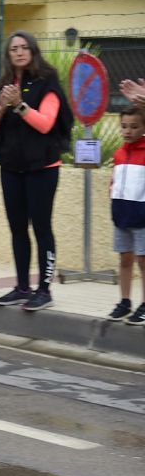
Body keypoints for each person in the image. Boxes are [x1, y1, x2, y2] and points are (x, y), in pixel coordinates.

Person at [0, 30, 74, 312]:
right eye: (14, 49)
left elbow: (46, 123)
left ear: (33, 51)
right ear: (8, 55)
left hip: (42, 168)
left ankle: (44, 290)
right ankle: (22, 287)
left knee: (41, 227)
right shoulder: (5, 84)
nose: (19, 52)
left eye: (24, 47)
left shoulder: (48, 82)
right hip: (12, 167)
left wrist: (19, 106)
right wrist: (2, 107)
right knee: (17, 228)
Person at [105, 106, 145, 325]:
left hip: (142, 217)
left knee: (143, 261)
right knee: (125, 259)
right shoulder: (119, 153)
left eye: (134, 127)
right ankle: (125, 301)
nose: (128, 131)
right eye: (124, 127)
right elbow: (115, 183)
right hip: (121, 216)